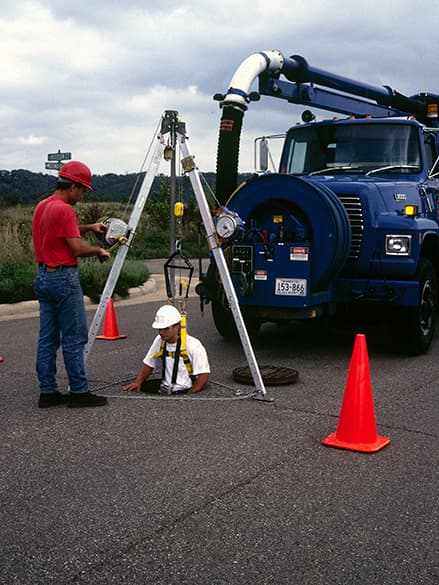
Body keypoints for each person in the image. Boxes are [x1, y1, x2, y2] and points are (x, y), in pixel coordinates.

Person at [32, 160, 111, 408]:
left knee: (47, 339)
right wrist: (99, 249)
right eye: (83, 191)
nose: (82, 196)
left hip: (43, 276)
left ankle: (48, 392)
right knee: (75, 337)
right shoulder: (65, 209)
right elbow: (75, 248)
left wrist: (89, 227)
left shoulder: (43, 206)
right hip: (64, 278)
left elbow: (61, 230)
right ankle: (79, 392)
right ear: (73, 186)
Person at [122, 305, 209, 395]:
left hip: (184, 390)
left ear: (177, 327)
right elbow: (149, 364)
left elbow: (203, 376)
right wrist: (138, 382)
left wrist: (188, 396)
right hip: (164, 390)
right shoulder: (159, 340)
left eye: (166, 328)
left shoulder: (193, 345)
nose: (161, 332)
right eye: (159, 329)